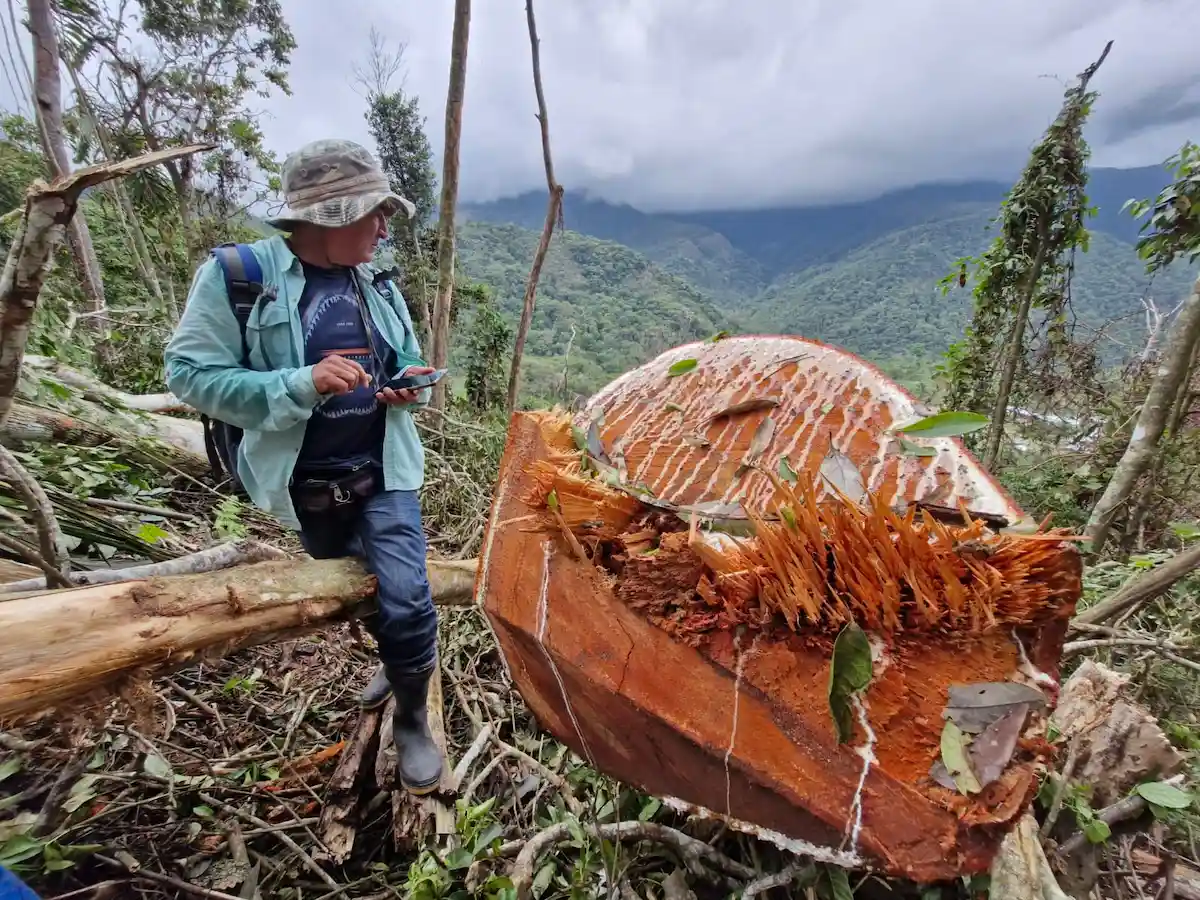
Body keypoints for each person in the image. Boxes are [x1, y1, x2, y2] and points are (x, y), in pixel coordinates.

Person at [164, 139, 442, 795]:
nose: (383, 228)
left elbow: (406, 359)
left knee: (408, 597)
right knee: (363, 592)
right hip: (304, 485)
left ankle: (412, 717)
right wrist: (299, 384)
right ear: (330, 218)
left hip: (383, 470)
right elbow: (190, 374)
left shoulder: (374, 279)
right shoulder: (240, 279)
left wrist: (409, 385)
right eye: (373, 214)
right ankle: (396, 661)